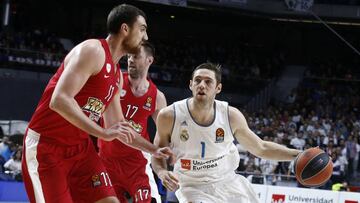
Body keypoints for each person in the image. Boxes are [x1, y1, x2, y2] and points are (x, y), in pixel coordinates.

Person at [22, 4, 172, 203]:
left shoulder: (117, 76)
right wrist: (102, 133)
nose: (145, 37)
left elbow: (118, 127)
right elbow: (59, 100)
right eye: (142, 29)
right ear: (125, 29)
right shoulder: (93, 50)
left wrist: (154, 150)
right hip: (47, 148)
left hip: (81, 151)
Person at [151, 63, 302, 203]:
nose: (202, 85)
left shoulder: (231, 116)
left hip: (228, 182)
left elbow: (261, 148)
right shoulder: (169, 115)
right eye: (197, 80)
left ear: (218, 88)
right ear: (191, 85)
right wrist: (162, 172)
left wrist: (298, 155)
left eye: (208, 81)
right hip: (192, 185)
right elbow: (157, 153)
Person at [98, 41, 166, 203]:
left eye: (135, 56)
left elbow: (167, 134)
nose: (130, 60)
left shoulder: (157, 97)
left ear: (149, 60)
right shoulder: (115, 80)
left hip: (137, 162)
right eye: (128, 56)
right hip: (107, 160)